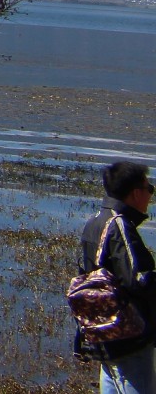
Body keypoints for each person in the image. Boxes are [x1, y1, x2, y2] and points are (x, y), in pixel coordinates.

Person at [81, 160, 156, 393]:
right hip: (128, 336)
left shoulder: (93, 222)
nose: (150, 196)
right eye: (149, 189)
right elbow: (139, 279)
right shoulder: (119, 225)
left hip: (104, 331)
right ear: (136, 193)